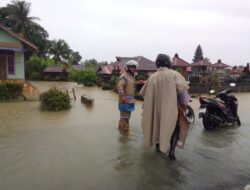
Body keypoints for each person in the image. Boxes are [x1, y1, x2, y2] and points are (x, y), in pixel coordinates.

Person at [139, 54, 189, 160]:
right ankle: (171, 151)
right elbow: (183, 94)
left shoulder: (152, 77)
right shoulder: (175, 74)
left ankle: (158, 148)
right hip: (170, 110)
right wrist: (184, 106)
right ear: (168, 63)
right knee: (174, 129)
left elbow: (145, 95)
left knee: (157, 126)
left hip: (155, 110)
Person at [117, 60, 138, 133]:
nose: (133, 68)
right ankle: (124, 133)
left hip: (130, 100)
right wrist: (122, 96)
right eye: (131, 67)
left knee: (127, 117)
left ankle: (121, 129)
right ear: (127, 67)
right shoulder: (124, 76)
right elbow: (120, 87)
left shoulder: (132, 76)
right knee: (125, 117)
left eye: (134, 67)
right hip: (124, 100)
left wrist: (139, 82)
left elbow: (130, 86)